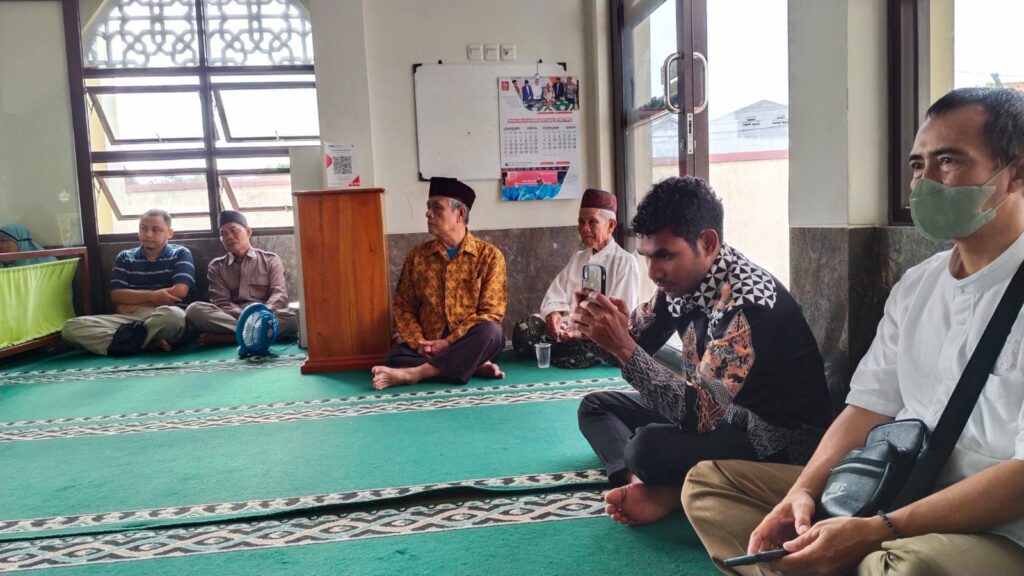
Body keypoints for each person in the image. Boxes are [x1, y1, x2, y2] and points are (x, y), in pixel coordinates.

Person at [683, 87, 1024, 575]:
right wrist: (803, 491)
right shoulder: (918, 286)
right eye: (917, 165)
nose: (924, 181)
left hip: (999, 527)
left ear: (1016, 173)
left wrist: (880, 529)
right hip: (896, 484)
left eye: (948, 161)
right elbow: (868, 407)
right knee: (710, 484)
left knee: (899, 566)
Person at [573, 176, 831, 527]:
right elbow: (635, 343)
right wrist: (602, 329)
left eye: (665, 255)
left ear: (707, 242)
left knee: (645, 448)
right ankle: (638, 484)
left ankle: (666, 490)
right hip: (723, 418)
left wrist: (622, 343)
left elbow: (698, 414)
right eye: (647, 257)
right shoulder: (680, 283)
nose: (654, 272)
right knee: (596, 406)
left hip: (775, 441)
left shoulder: (745, 303)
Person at [371, 177, 507, 390]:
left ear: (459, 214)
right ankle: (472, 365)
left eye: (436, 207)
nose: (428, 213)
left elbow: (491, 313)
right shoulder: (417, 256)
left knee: (492, 333)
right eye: (428, 207)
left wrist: (449, 343)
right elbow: (403, 307)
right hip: (428, 344)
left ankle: (416, 373)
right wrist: (419, 344)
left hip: (467, 341)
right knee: (394, 358)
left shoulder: (489, 256)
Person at [512, 188, 641, 368]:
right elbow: (556, 293)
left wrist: (579, 331)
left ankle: (567, 352)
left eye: (592, 222)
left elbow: (619, 317)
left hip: (598, 336)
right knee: (523, 330)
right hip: (566, 330)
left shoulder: (625, 262)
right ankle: (565, 353)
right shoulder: (578, 258)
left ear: (611, 225)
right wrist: (554, 314)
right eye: (581, 222)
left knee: (588, 347)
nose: (584, 228)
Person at [62, 209, 194, 355]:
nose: (148, 234)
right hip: (131, 317)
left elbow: (179, 292)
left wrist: (131, 304)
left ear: (169, 233)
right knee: (71, 327)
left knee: (174, 318)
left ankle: (128, 342)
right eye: (143, 228)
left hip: (163, 315)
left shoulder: (180, 254)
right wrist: (153, 296)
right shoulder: (125, 257)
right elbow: (116, 296)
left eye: (156, 230)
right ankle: (146, 343)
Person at [185, 211, 297, 345]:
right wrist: (245, 316)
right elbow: (221, 301)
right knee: (194, 310)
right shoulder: (216, 266)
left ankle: (229, 338)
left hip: (265, 315)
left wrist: (262, 313)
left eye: (234, 231)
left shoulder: (271, 260)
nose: (229, 237)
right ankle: (259, 334)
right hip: (233, 317)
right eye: (223, 234)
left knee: (294, 318)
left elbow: (279, 294)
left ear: (248, 232)